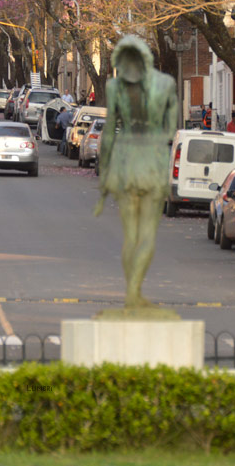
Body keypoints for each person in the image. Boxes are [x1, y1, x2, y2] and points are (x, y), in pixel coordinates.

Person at [95, 36, 178, 311]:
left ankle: (132, 294)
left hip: (124, 160)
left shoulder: (114, 86)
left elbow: (109, 133)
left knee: (130, 236)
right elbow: (170, 130)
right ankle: (134, 292)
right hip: (152, 160)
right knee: (147, 236)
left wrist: (104, 175)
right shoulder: (166, 85)